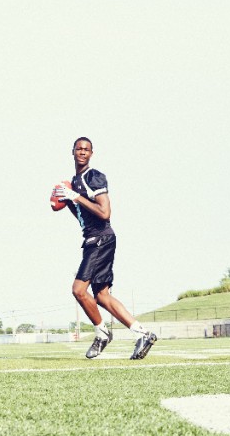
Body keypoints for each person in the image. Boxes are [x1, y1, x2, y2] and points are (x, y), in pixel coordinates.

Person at [53, 137, 157, 359]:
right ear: (72, 151)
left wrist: (77, 197)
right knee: (101, 296)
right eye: (79, 149)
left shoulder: (93, 176)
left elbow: (104, 213)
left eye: (86, 149)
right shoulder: (75, 181)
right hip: (93, 238)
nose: (82, 152)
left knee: (78, 290)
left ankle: (101, 333)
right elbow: (83, 215)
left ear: (91, 153)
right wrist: (69, 202)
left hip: (100, 238)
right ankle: (142, 333)